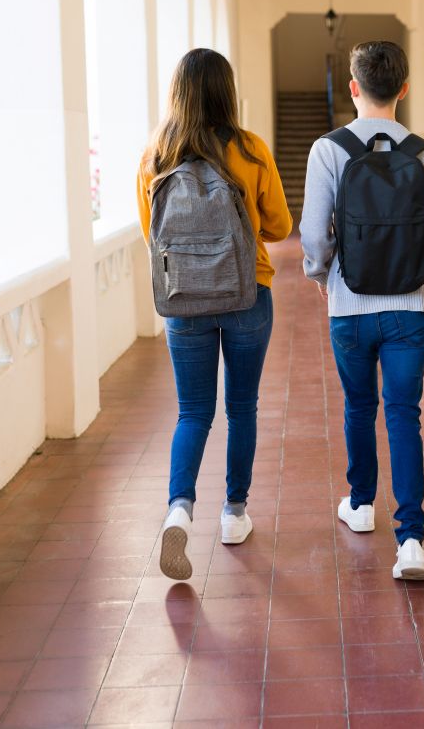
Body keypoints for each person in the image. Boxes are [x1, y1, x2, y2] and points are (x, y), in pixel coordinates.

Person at [301, 40, 424, 581]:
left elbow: (314, 235)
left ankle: (361, 504)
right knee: (404, 415)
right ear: (404, 88)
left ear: (353, 86)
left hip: (350, 307)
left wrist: (322, 277)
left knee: (357, 405)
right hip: (410, 308)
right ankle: (411, 540)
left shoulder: (329, 149)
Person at [136, 48, 292, 580]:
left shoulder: (155, 155)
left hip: (184, 302)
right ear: (227, 91)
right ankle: (234, 513)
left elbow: (150, 234)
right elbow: (278, 225)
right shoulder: (250, 150)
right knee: (241, 407)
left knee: (192, 411)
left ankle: (180, 508)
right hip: (248, 294)